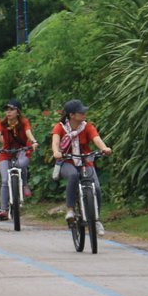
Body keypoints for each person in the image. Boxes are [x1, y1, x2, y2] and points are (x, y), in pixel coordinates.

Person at [50, 99, 112, 233]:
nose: (84, 113)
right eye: (81, 112)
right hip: (67, 161)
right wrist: (56, 152)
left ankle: (96, 220)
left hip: (85, 161)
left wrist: (104, 148)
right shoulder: (60, 127)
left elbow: (97, 139)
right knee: (73, 175)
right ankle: (70, 210)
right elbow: (55, 142)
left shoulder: (87, 126)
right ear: (71, 115)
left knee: (96, 187)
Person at [0, 99, 39, 220]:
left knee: (22, 164)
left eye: (12, 110)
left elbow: (29, 133)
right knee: (5, 180)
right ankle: (3, 209)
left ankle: (24, 184)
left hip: (22, 150)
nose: (8, 112)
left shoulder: (24, 122)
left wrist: (34, 142)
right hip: (6, 153)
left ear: (18, 112)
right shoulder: (3, 123)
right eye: (7, 110)